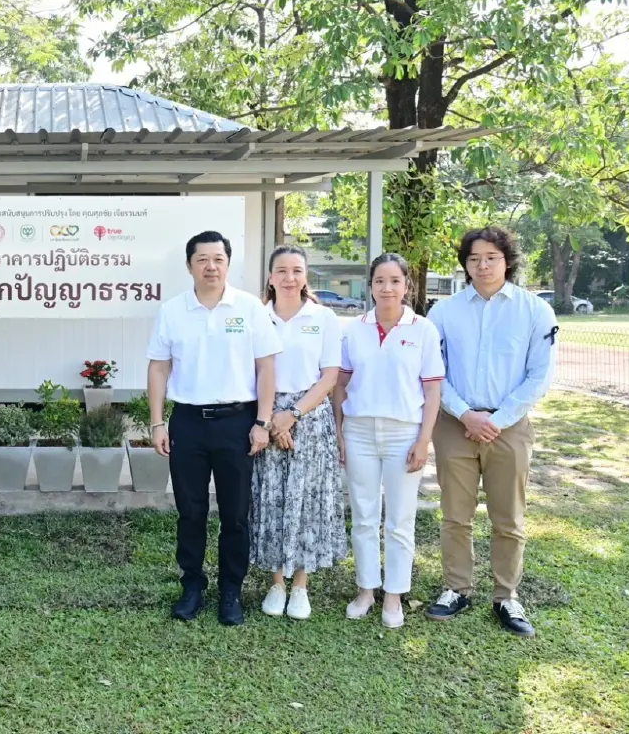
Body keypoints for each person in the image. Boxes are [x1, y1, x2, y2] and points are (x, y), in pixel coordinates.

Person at [424, 227, 557, 638]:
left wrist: (496, 420)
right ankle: (456, 588)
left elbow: (539, 376)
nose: (482, 265)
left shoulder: (535, 311)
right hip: (455, 424)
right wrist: (466, 415)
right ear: (465, 264)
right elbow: (434, 372)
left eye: (491, 257)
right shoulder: (443, 312)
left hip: (509, 427)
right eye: (474, 258)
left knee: (508, 517)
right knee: (455, 515)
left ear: (507, 261)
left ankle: (506, 596)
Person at [147, 230, 281, 626]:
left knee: (235, 514)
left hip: (238, 423)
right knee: (190, 511)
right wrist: (157, 422)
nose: (211, 266)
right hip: (188, 422)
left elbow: (266, 367)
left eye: (218, 259)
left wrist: (262, 422)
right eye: (202, 259)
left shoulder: (250, 308)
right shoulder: (173, 311)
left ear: (228, 263)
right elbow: (158, 368)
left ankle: (230, 591)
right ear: (189, 266)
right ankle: (192, 586)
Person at [334, 253, 444, 629]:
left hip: (404, 433)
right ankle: (366, 589)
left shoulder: (423, 330)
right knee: (364, 516)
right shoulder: (354, 329)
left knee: (399, 519)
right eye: (380, 281)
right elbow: (340, 384)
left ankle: (394, 594)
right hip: (359, 431)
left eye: (395, 281)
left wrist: (424, 440)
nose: (387, 288)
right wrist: (340, 432)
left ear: (406, 286)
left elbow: (433, 391)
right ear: (370, 286)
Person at [250, 245, 347, 620]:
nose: (289, 278)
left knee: (307, 501)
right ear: (270, 277)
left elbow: (330, 376)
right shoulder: (257, 316)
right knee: (272, 500)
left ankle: (301, 585)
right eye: (282, 271)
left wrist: (291, 415)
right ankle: (276, 582)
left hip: (310, 417)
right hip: (266, 416)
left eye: (297, 270)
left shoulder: (323, 317)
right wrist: (271, 420)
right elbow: (251, 371)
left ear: (306, 276)